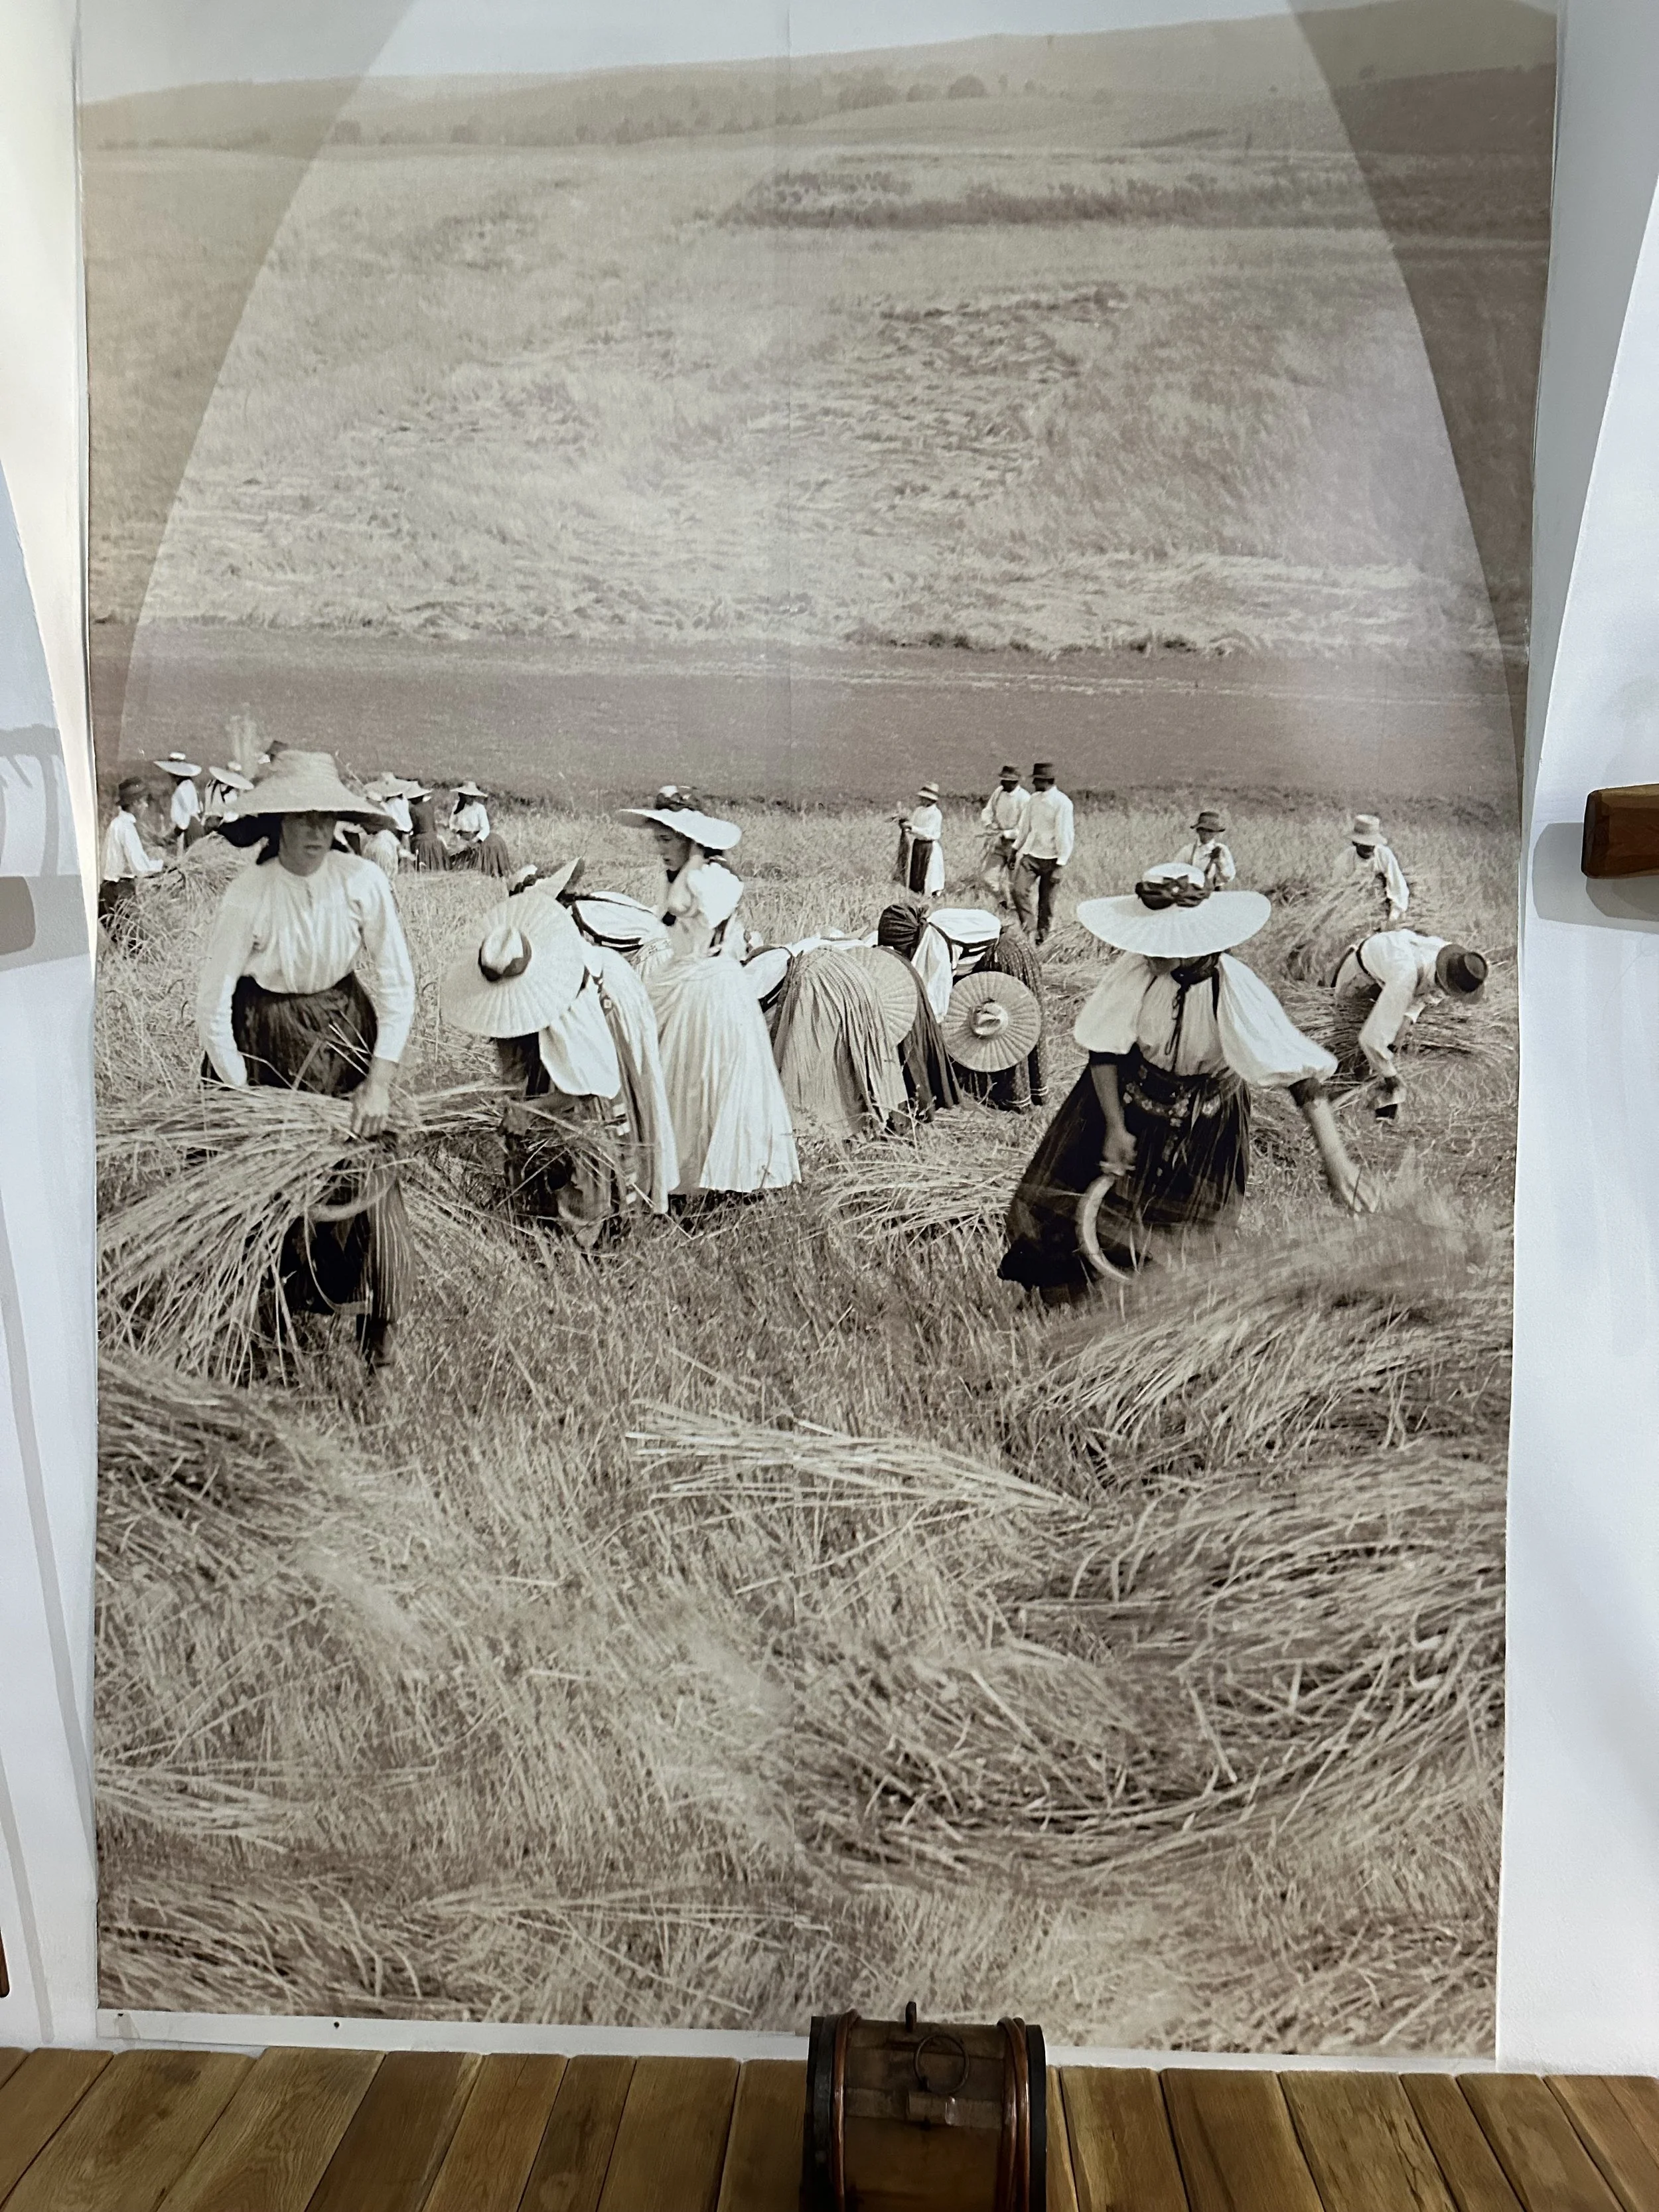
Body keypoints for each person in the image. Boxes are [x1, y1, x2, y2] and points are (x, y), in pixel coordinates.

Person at [1001, 862, 1374, 1301]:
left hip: (1208, 1127)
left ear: (1194, 941)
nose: (1147, 950)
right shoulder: (1136, 971)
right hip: (1124, 1104)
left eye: (1160, 943)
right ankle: (1066, 1299)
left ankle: (1154, 1312)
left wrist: (1336, 1161)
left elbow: (1302, 1078)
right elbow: (1104, 1051)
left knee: (1187, 1238)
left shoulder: (1235, 990)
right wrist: (1117, 1127)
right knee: (1063, 1208)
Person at [195, 751, 415, 1371]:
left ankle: (380, 1340)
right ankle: (267, 1336)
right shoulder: (249, 895)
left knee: (370, 1178)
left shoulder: (363, 883)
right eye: (302, 819)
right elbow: (211, 1006)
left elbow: (398, 986)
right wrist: (244, 1097)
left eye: (326, 818)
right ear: (278, 823)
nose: (316, 832)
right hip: (263, 1042)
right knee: (265, 1195)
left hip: (345, 1039)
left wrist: (379, 1081)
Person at [440, 892, 652, 1242]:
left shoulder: (569, 1000)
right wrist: (513, 1105)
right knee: (533, 1158)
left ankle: (587, 1244)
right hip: (547, 1090)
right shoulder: (510, 1007)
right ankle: (536, 1215)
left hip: (582, 1103)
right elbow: (512, 1067)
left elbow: (584, 1091)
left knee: (584, 1165)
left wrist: (530, 1110)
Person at [620, 788, 799, 1199]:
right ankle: (678, 1175)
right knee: (678, 1078)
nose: (660, 849)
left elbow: (695, 905)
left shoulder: (712, 878)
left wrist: (697, 857)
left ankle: (714, 1177)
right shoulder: (688, 876)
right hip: (682, 978)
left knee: (706, 1075)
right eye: (658, 840)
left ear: (688, 839)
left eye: (667, 840)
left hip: (711, 986)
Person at [516, 861, 679, 1211]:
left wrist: (529, 1108)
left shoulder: (573, 925)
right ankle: (638, 1184)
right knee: (636, 1080)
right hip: (619, 979)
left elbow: (587, 1081)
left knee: (613, 1089)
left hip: (637, 973)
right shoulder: (591, 907)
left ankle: (614, 1199)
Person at [1330, 928, 1488, 1120]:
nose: (1448, 995)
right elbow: (1370, 1040)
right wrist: (1392, 1077)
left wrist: (1407, 1019)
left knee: (1373, 1058)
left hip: (1389, 977)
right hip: (1360, 976)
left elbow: (1429, 992)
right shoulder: (1405, 978)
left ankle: (1361, 1108)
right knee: (1346, 1050)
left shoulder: (1448, 959)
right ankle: (1327, 1108)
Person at [770, 945, 908, 1143]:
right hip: (845, 979)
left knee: (814, 1064)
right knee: (844, 1066)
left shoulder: (798, 980)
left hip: (821, 982)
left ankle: (820, 1130)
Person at [874, 902, 961, 1118]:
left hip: (913, 1015)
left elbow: (938, 1005)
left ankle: (916, 1105)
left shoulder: (936, 953)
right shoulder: (884, 959)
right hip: (907, 1009)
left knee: (911, 1061)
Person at [99, 776, 166, 949]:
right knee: (140, 947)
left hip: (108, 891)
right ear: (135, 803)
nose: (145, 806)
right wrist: (162, 866)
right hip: (120, 893)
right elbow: (140, 867)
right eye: (143, 802)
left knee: (127, 945)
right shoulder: (127, 828)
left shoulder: (116, 824)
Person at [1011, 762, 1074, 944]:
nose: (1033, 784)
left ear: (1045, 781)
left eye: (1036, 780)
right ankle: (1029, 930)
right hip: (1031, 855)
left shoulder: (1062, 803)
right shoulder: (1033, 800)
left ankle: (1042, 939)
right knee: (1018, 890)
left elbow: (1065, 835)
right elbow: (1025, 828)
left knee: (1046, 904)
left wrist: (1060, 865)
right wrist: (1015, 849)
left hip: (1053, 860)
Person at [1337, 812, 1410, 924]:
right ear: (1355, 843)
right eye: (1365, 845)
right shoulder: (1345, 860)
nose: (1370, 848)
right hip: (1353, 911)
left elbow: (1398, 888)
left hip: (1382, 911)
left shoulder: (1384, 855)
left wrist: (1393, 918)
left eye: (1373, 844)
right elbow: (1338, 892)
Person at [978, 765, 1031, 907]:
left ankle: (1015, 910)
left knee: (1014, 882)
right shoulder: (998, 793)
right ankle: (1003, 903)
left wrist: (1006, 834)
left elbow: (1025, 829)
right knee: (988, 878)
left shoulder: (1025, 799)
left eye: (1006, 780)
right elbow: (988, 811)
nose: (1002, 783)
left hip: (1017, 845)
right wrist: (989, 825)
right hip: (999, 842)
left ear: (1015, 782)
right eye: (1002, 779)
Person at [450, 780, 512, 877]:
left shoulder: (479, 808)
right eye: (469, 796)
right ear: (463, 795)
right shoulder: (457, 807)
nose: (472, 799)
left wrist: (474, 840)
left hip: (476, 837)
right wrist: (456, 833)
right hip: (463, 837)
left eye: (473, 796)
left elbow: (485, 828)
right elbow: (452, 823)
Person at [895, 784, 946, 899]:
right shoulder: (919, 811)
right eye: (922, 798)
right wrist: (905, 825)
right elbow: (913, 826)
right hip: (918, 845)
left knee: (930, 873)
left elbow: (928, 832)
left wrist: (912, 828)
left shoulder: (936, 814)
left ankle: (931, 895)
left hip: (929, 846)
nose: (921, 800)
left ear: (930, 800)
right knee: (917, 871)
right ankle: (917, 894)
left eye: (924, 798)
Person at [157, 753, 203, 855]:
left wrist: (167, 839)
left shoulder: (183, 789)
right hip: (192, 826)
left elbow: (183, 824)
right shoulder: (187, 785)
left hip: (190, 830)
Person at [1182, 808, 1236, 891]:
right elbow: (1175, 870)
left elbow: (1229, 876)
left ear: (1216, 833)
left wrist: (1220, 862)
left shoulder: (1222, 849)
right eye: (1202, 829)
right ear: (1197, 830)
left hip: (1215, 892)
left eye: (1210, 831)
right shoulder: (1188, 850)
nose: (1206, 833)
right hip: (1192, 892)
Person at [407, 784, 449, 871]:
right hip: (434, 838)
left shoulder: (414, 810)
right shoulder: (429, 806)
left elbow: (413, 827)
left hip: (422, 841)